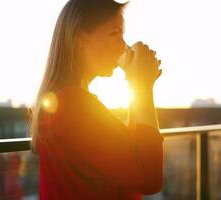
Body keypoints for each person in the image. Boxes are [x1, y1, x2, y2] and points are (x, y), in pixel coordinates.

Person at [29, 0, 164, 199]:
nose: (122, 46)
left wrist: (136, 83)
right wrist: (143, 87)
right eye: (114, 34)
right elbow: (149, 177)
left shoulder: (68, 101)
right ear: (79, 38)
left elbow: (131, 154)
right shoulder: (72, 105)